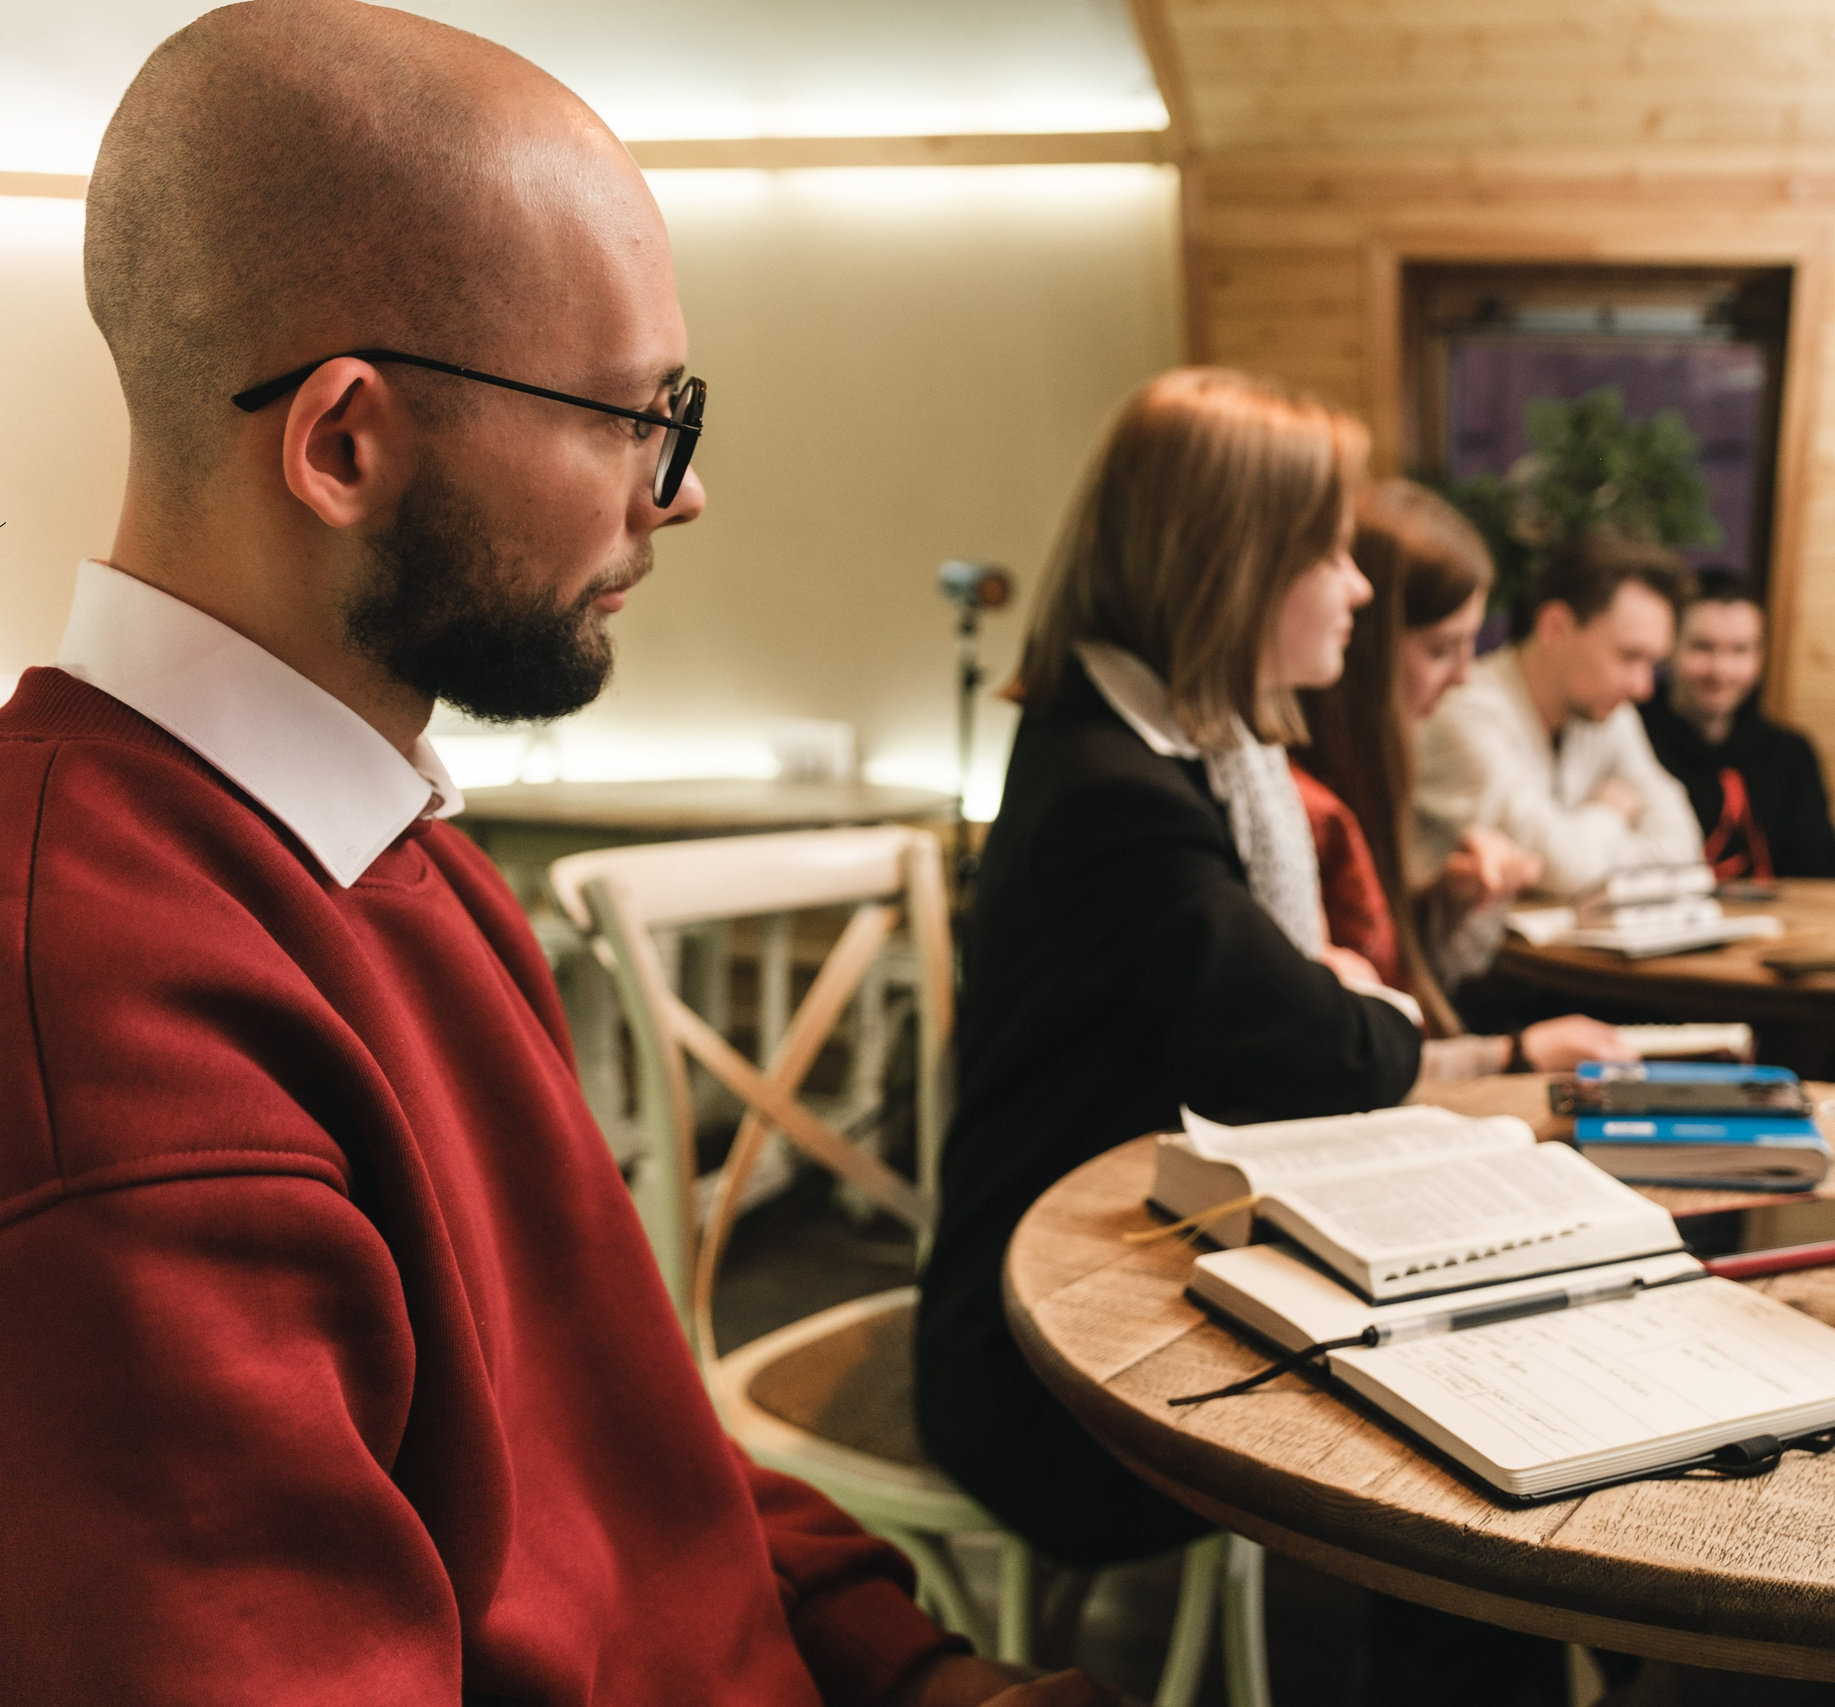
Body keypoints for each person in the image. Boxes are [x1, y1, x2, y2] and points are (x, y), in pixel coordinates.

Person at [0, 6, 1101, 1703]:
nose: (680, 492)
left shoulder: (385, 838)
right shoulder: (100, 1023)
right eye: (632, 414)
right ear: (342, 443)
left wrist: (917, 1674)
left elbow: (627, 1450)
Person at [917, 369, 1423, 1571]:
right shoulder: (1123, 796)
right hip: (1046, 1367)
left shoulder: (1137, 744)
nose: (1357, 586)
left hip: (1105, 1270)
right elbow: (1333, 1055)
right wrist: (1367, 1002)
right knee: (1430, 1432)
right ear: (1234, 562)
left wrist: (1341, 1000)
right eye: (1333, 552)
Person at [1297, 480, 1630, 1072]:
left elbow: (1388, 978)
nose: (1463, 677)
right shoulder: (1309, 798)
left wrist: (1445, 902)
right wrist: (1515, 1056)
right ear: (1363, 645)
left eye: (1471, 647)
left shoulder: (1371, 769)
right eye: (1441, 648)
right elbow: (1332, 1056)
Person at [1413, 530, 1703, 901]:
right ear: (1555, 628)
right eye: (1629, 656)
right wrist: (1608, 812)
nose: (1643, 687)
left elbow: (1683, 848)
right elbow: (1562, 868)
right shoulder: (1465, 711)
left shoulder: (1608, 713)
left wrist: (1579, 845)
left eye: (1652, 663)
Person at [1639, 570, 1835, 881]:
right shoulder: (1632, 737)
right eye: (1703, 647)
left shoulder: (1790, 754)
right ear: (1669, 648)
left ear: (1760, 657)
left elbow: (1824, 875)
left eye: (1739, 650)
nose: (1721, 669)